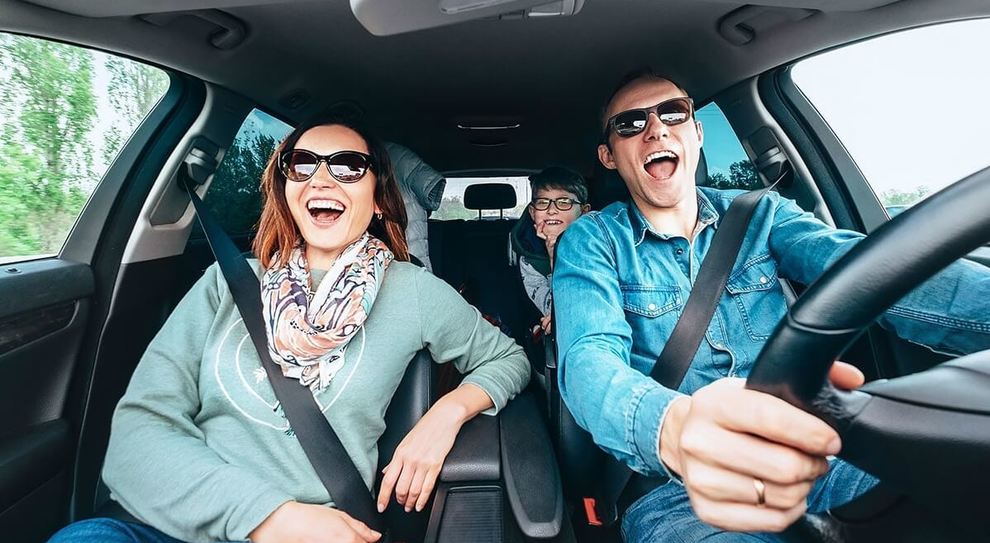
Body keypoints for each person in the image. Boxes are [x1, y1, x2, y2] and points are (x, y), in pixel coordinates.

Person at [552, 70, 990, 542]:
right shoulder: (593, 240)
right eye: (631, 124)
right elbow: (587, 359)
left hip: (816, 454)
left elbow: (873, 272)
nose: (656, 129)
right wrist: (675, 429)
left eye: (673, 113)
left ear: (696, 131)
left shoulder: (763, 214)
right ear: (609, 156)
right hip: (680, 494)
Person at [49, 116, 530, 543]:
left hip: (322, 528)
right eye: (302, 164)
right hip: (178, 522)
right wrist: (266, 517)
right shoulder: (227, 283)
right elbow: (138, 435)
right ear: (286, 189)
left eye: (347, 166)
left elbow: (509, 359)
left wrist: (445, 415)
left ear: (380, 200)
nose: (322, 177)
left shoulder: (414, 292)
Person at [510, 166, 590, 335]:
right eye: (542, 203)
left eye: (564, 202)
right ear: (532, 212)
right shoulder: (529, 258)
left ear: (584, 212)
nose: (551, 210)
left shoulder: (598, 248)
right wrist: (554, 256)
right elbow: (553, 309)